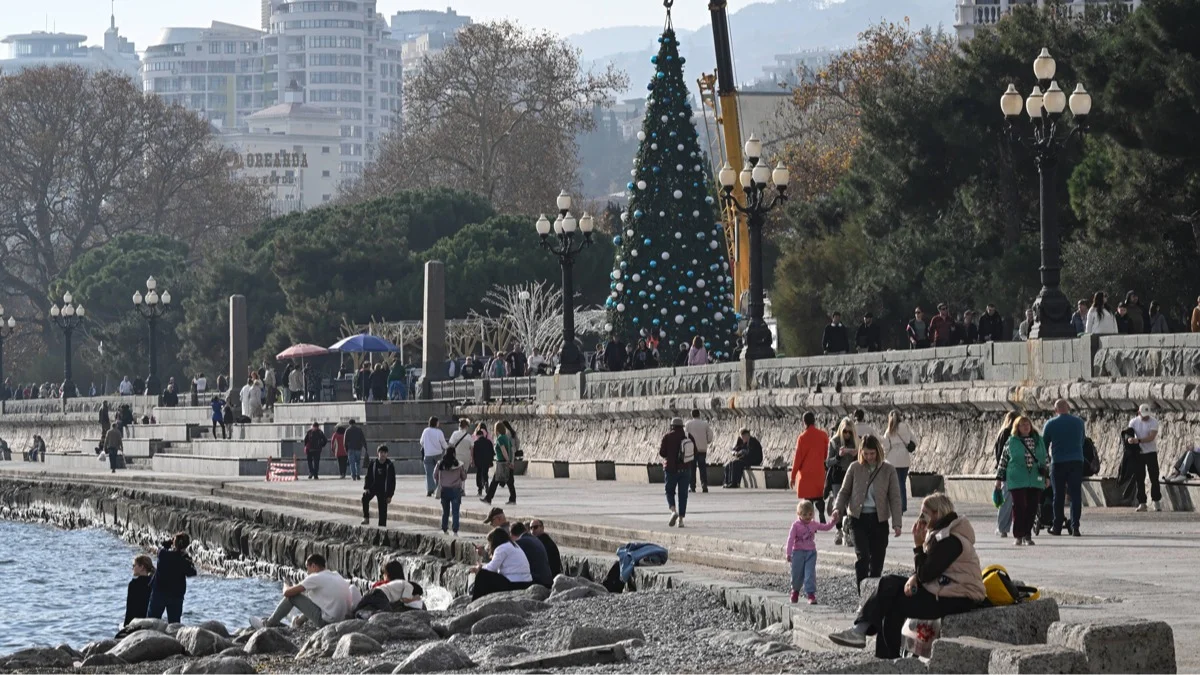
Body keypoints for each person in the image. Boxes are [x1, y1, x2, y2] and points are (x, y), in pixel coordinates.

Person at [827, 493, 986, 657]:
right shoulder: (942, 533)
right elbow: (927, 569)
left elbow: (926, 574)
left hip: (958, 598)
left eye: (924, 514)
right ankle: (883, 655)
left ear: (937, 513)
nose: (920, 518)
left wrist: (918, 546)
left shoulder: (951, 540)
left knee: (893, 595)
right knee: (890, 593)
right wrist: (913, 577)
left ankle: (864, 635)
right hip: (944, 589)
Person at [836, 435, 903, 588]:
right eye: (865, 453)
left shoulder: (888, 470)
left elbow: (895, 497)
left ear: (878, 451)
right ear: (861, 452)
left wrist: (897, 523)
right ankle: (862, 592)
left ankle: (873, 594)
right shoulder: (854, 468)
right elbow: (844, 491)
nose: (869, 457)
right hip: (857, 519)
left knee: (877, 561)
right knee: (863, 557)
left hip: (879, 520)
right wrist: (837, 509)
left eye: (872, 453)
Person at [254, 554, 351, 629]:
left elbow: (287, 593)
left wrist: (286, 584)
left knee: (292, 597)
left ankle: (268, 624)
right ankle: (298, 622)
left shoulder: (315, 577)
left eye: (307, 568)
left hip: (328, 623)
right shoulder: (336, 575)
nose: (307, 572)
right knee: (314, 597)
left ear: (313, 566)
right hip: (343, 621)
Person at [996, 415, 1049, 546]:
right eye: (1022, 425)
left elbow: (1045, 459)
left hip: (1035, 479)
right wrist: (999, 479)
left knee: (1032, 507)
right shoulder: (1011, 441)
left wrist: (1047, 477)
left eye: (1027, 424)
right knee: (1019, 507)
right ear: (1017, 427)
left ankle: (1027, 534)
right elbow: (1003, 461)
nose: (1025, 427)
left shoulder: (1039, 441)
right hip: (1017, 479)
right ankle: (1018, 535)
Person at [1042, 399, 1086, 537]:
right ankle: (1075, 526)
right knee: (1075, 495)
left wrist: (1046, 461)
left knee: (1058, 495)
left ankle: (1057, 526)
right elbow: (1082, 441)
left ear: (1055, 410)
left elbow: (1044, 444)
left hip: (1058, 462)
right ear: (1068, 407)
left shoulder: (1050, 424)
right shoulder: (1079, 422)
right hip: (1076, 461)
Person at [787, 499, 840, 605]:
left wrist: (833, 521)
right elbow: (790, 539)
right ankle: (795, 591)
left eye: (810, 514)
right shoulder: (796, 526)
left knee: (810, 574)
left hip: (811, 553)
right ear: (799, 514)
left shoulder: (813, 524)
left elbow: (825, 527)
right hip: (798, 553)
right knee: (796, 573)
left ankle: (811, 594)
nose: (808, 517)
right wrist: (788, 553)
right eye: (804, 514)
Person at [469, 527, 533, 599]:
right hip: (526, 582)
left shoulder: (502, 548)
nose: (489, 546)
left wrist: (479, 568)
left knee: (482, 574)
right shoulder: (513, 545)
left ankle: (476, 599)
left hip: (515, 583)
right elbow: (495, 565)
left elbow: (492, 568)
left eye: (489, 543)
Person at [147, 532, 197, 623]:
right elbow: (192, 572)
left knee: (152, 621)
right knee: (174, 623)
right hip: (176, 595)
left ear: (174, 543)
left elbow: (160, 548)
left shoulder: (163, 554)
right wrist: (188, 558)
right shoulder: (183, 560)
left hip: (159, 592)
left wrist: (168, 543)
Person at [825, 417, 859, 546]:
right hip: (838, 475)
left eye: (850, 432)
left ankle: (848, 531)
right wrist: (838, 456)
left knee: (851, 505)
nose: (847, 434)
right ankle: (839, 530)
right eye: (845, 431)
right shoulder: (834, 442)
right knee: (839, 504)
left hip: (851, 474)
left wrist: (856, 454)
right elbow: (828, 462)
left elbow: (864, 459)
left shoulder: (857, 441)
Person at [791, 412, 829, 520]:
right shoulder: (823, 435)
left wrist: (793, 476)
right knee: (819, 495)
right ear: (814, 421)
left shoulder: (802, 437)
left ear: (804, 422)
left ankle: (810, 520)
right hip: (819, 471)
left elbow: (797, 458)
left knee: (808, 499)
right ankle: (821, 512)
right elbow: (826, 454)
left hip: (806, 473)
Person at [353, 560, 423, 618]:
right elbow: (405, 600)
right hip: (381, 595)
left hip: (371, 593)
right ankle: (369, 614)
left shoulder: (397, 584)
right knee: (388, 614)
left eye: (384, 574)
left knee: (357, 608)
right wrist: (415, 598)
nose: (382, 576)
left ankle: (355, 612)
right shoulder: (408, 585)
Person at [659, 416, 695, 528]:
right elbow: (695, 451)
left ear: (672, 426)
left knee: (669, 491)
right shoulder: (688, 436)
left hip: (671, 469)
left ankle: (673, 511)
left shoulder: (667, 437)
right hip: (686, 469)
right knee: (683, 495)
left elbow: (662, 453)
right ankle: (681, 520)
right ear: (682, 426)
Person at [881, 410, 918, 512]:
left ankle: (896, 505)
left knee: (894, 484)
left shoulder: (889, 430)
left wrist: (884, 457)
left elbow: (886, 446)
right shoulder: (906, 427)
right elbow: (914, 441)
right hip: (904, 458)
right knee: (902, 482)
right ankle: (903, 505)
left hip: (893, 460)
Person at [1129, 404, 1164, 512]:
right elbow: (1129, 434)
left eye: (1147, 415)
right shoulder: (1133, 422)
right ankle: (1142, 502)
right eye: (1143, 415)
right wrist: (1129, 439)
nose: (1146, 417)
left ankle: (1156, 501)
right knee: (1139, 478)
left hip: (1151, 452)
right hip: (1138, 453)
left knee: (1154, 476)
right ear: (1139, 413)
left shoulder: (1153, 422)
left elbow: (1151, 437)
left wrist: (1138, 440)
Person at [991, 411, 1018, 538]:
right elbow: (1002, 455)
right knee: (1008, 501)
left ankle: (1002, 528)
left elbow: (999, 456)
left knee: (1006, 501)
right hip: (1009, 472)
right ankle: (1003, 527)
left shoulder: (1003, 433)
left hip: (1006, 472)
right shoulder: (1009, 434)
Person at [434, 447, 467, 535]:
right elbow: (463, 477)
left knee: (445, 511)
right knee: (455, 511)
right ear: (454, 454)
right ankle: (455, 530)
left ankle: (444, 528)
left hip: (444, 490)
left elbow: (435, 475)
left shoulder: (440, 464)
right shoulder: (459, 464)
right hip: (456, 490)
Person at [510, 522, 553, 587]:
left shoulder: (520, 542)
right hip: (547, 579)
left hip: (537, 581)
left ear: (511, 535)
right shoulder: (535, 538)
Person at [482, 422, 516, 505]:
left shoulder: (500, 439)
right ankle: (512, 498)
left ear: (497, 430)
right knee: (509, 482)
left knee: (495, 481)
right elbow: (512, 450)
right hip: (508, 462)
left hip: (502, 462)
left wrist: (507, 461)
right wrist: (511, 461)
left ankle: (488, 498)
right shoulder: (507, 438)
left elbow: (503, 450)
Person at [362, 445, 396, 527]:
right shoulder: (373, 463)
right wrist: (366, 487)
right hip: (373, 487)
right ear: (378, 453)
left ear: (387, 454)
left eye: (384, 453)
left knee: (383, 510)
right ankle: (366, 518)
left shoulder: (389, 465)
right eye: (381, 452)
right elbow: (368, 476)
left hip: (383, 490)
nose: (383, 454)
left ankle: (382, 526)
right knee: (364, 498)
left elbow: (392, 481)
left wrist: (390, 495)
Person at [684, 409, 713, 493]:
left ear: (692, 415)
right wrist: (707, 441)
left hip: (692, 449)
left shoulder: (688, 424)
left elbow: (685, 435)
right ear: (699, 414)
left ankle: (692, 486)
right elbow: (710, 435)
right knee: (702, 468)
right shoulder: (705, 424)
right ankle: (704, 485)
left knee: (692, 468)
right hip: (702, 449)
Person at [420, 417, 448, 498]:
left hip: (428, 454)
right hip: (438, 454)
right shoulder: (439, 432)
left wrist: (427, 446)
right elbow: (443, 443)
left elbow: (421, 442)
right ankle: (438, 488)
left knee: (429, 473)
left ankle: (430, 490)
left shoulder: (425, 431)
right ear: (436, 423)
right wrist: (447, 448)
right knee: (439, 472)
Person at [124, 555, 154, 626]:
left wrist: (126, 625)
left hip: (135, 621)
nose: (132, 568)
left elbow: (130, 608)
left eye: (134, 565)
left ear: (142, 567)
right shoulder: (153, 582)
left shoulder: (133, 584)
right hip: (149, 620)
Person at [472, 423, 495, 496]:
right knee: (485, 473)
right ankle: (486, 483)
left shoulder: (476, 443)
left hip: (478, 461)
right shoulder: (488, 442)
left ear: (477, 435)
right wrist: (491, 461)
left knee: (479, 473)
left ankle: (480, 489)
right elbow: (492, 452)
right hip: (486, 460)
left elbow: (473, 453)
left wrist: (473, 461)